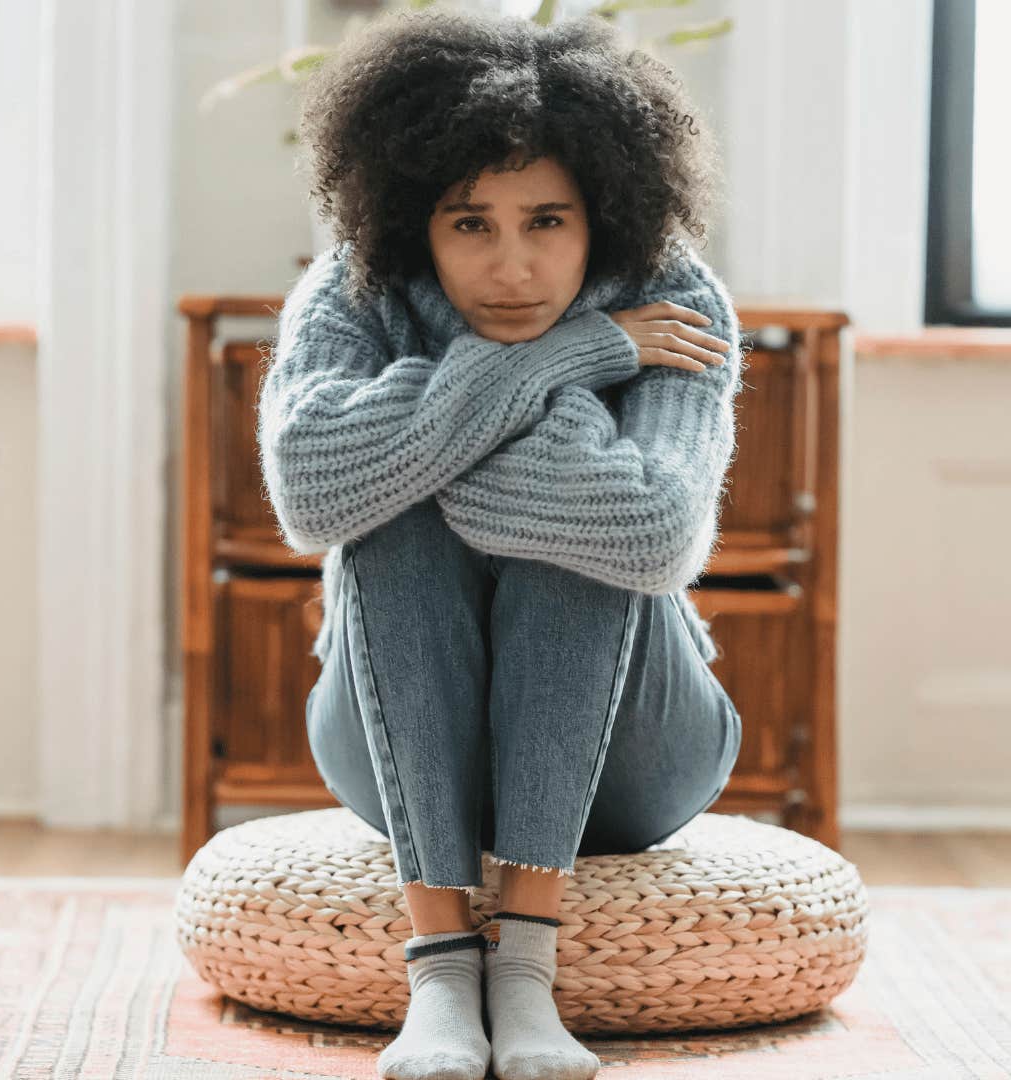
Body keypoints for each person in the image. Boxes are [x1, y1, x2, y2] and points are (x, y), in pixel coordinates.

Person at [258, 9, 742, 1080]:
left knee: (571, 528)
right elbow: (308, 489)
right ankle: (441, 968)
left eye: (548, 221)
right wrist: (563, 362)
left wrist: (433, 442)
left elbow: (656, 531)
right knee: (392, 517)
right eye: (470, 223)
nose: (513, 266)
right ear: (411, 221)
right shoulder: (355, 290)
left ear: (604, 212)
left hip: (643, 758)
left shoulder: (673, 295)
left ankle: (523, 970)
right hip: (388, 755)